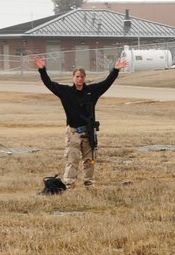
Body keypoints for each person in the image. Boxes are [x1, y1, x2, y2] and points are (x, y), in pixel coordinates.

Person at [35, 55, 128, 189]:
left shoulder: (92, 91)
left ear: (85, 78)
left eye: (82, 77)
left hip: (88, 132)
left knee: (90, 161)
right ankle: (69, 185)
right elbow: (49, 84)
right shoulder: (65, 92)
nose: (80, 79)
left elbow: (107, 83)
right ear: (73, 77)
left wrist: (115, 70)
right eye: (77, 76)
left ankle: (89, 184)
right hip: (73, 132)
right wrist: (42, 70)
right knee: (72, 160)